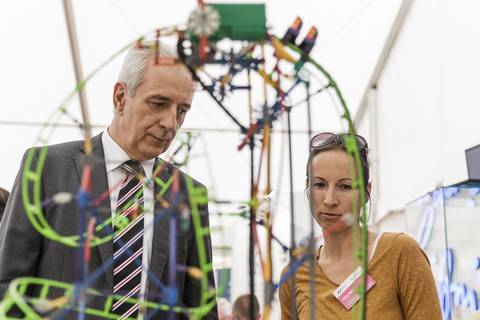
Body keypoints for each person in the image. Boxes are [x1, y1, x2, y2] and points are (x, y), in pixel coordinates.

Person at [0, 42, 218, 319]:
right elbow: (7, 285)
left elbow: (202, 309)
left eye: (182, 110)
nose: (170, 123)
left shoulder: (189, 194)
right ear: (120, 98)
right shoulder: (46, 169)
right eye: (159, 103)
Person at [279, 132, 442, 319]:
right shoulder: (295, 275)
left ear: (366, 192)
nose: (330, 200)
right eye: (319, 184)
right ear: (307, 188)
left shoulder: (400, 253)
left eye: (345, 186)